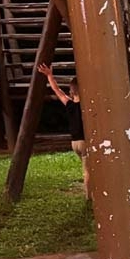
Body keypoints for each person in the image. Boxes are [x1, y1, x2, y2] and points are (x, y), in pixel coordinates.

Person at [37, 62, 90, 199]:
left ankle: (91, 191)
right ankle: (89, 196)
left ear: (71, 92)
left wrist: (49, 75)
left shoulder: (69, 104)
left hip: (74, 143)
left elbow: (57, 90)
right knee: (87, 170)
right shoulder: (86, 106)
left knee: (87, 167)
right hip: (84, 141)